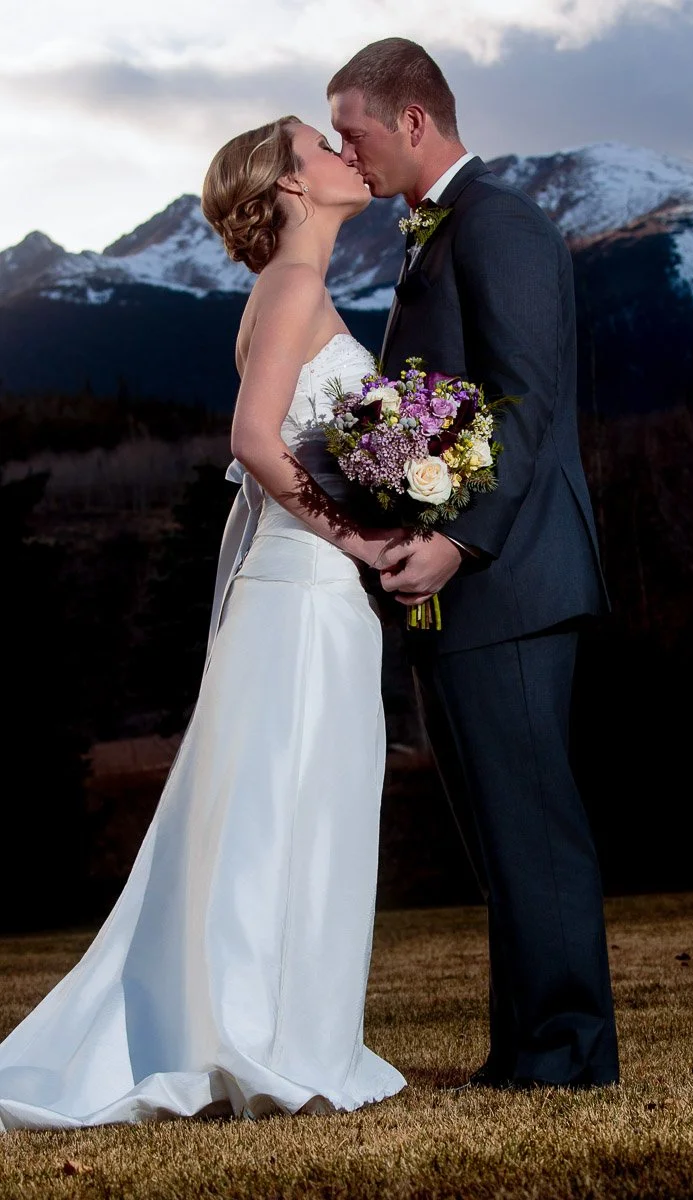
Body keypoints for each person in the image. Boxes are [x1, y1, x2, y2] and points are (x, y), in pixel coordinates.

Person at [0, 116, 407, 1131]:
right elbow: (253, 441)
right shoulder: (293, 290)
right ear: (286, 188)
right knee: (280, 812)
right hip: (303, 594)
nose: (344, 157)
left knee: (306, 806)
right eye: (322, 147)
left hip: (313, 595)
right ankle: (253, 1040)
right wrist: (359, 539)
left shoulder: (294, 292)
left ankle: (292, 1030)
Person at [328, 39, 620, 1090]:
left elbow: (525, 400)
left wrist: (456, 540)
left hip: (508, 578)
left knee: (534, 830)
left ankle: (569, 1058)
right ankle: (526, 1052)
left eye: (352, 132)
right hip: (459, 589)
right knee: (500, 838)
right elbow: (443, 409)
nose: (343, 151)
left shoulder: (498, 224)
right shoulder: (435, 235)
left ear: (412, 121)